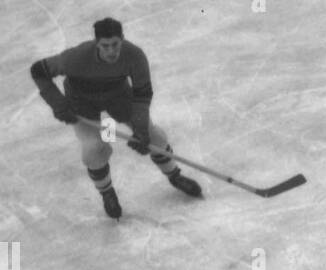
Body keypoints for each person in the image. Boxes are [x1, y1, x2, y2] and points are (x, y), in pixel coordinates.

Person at [31, 18, 203, 220]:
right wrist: (57, 102)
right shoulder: (75, 58)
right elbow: (38, 71)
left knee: (154, 136)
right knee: (94, 149)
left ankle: (174, 176)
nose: (111, 51)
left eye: (115, 45)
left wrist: (140, 128)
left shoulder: (135, 56)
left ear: (122, 39)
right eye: (105, 46)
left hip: (118, 97)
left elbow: (142, 93)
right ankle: (107, 192)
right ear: (97, 43)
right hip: (82, 102)